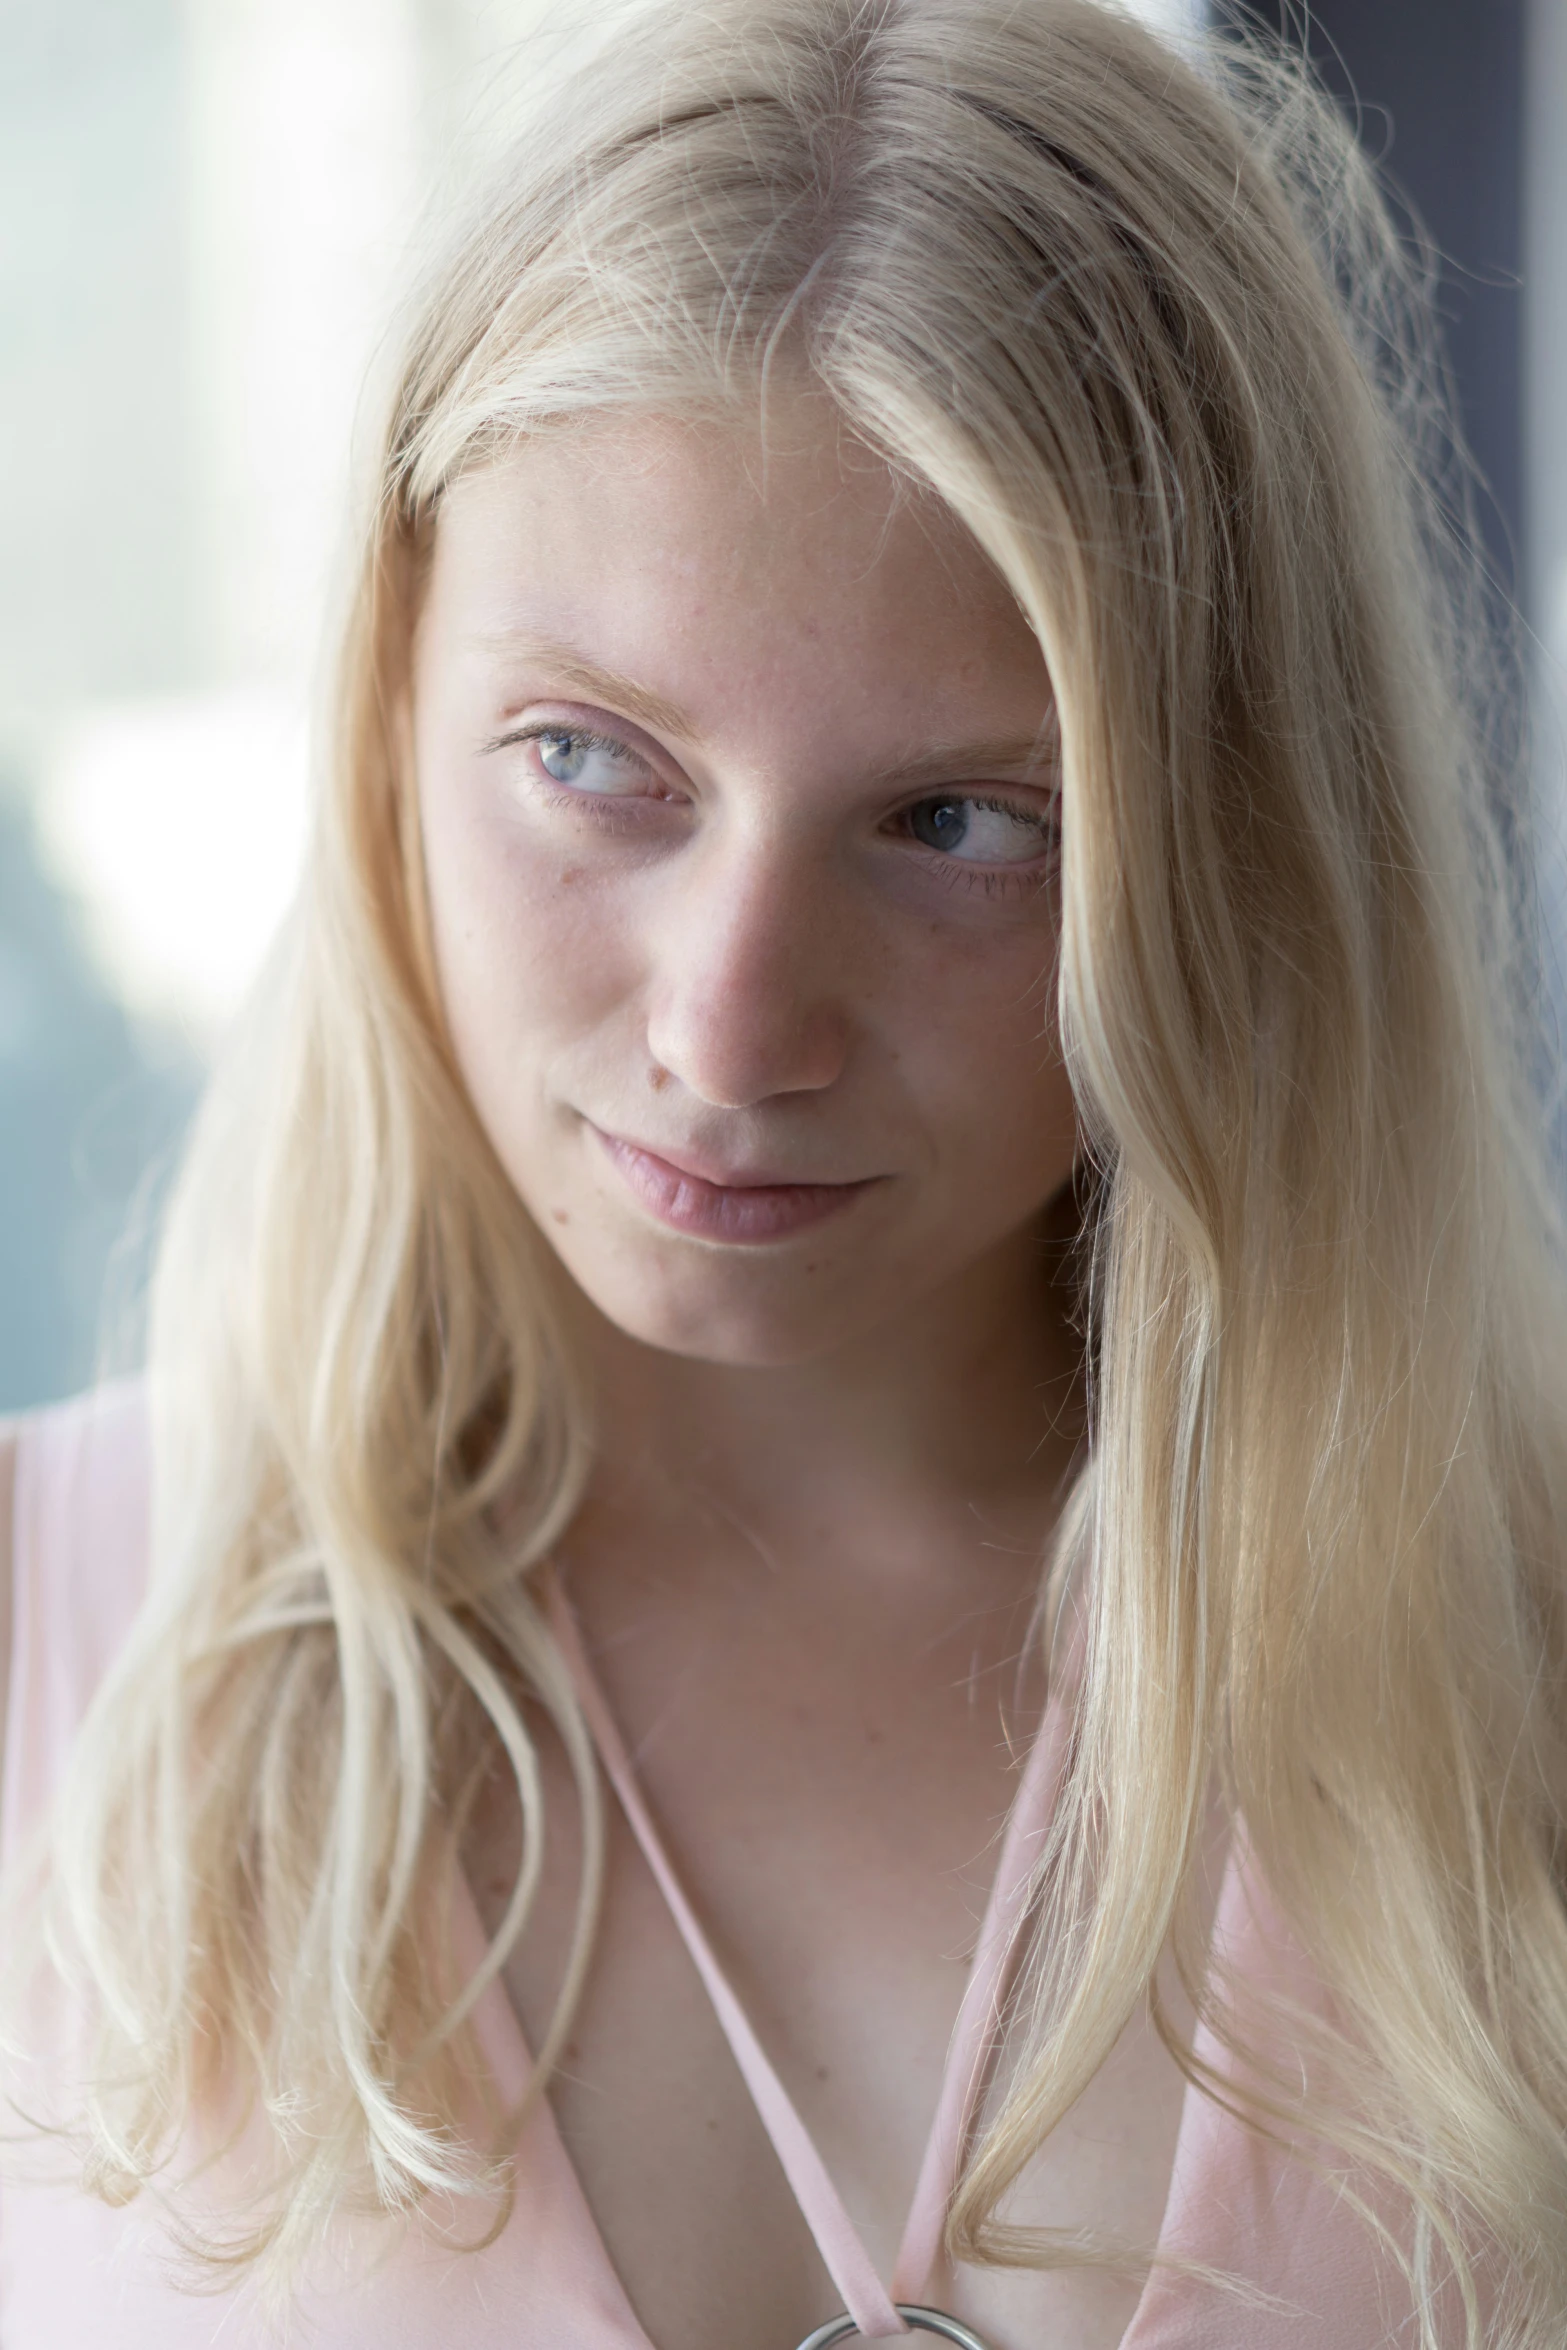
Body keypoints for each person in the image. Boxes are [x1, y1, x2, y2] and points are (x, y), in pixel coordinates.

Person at [4, 0, 1567, 2342]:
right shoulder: (41, 1636)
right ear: (386, 715)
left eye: (961, 822)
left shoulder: (1519, 1678)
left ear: (1233, 856)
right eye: (591, 761)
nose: (729, 1028)